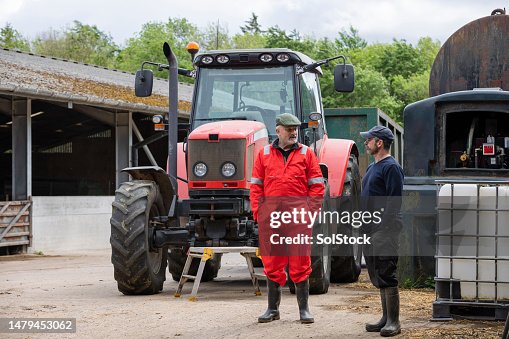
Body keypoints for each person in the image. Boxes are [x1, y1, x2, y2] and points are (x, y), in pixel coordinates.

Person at [250, 113, 325, 324]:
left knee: (300, 262)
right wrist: (258, 212)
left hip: (298, 216)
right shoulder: (264, 154)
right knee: (272, 263)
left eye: (295, 129)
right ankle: (272, 309)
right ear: (278, 130)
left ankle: (304, 310)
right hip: (271, 218)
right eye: (289, 129)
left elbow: (317, 186)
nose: (293, 132)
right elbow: (256, 186)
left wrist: (310, 212)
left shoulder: (306, 154)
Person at [360, 125, 404, 337]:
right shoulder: (372, 167)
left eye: (368, 139)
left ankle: (394, 322)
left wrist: (383, 229)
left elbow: (394, 203)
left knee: (387, 272)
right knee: (377, 273)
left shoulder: (391, 167)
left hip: (384, 230)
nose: (365, 143)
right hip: (370, 229)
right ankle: (385, 318)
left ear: (379, 143)